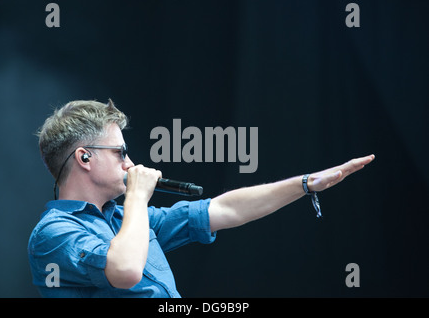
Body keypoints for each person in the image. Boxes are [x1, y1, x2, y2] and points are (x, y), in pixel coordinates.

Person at [28, 99, 375, 297]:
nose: (130, 163)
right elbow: (125, 270)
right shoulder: (54, 233)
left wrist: (305, 184)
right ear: (85, 158)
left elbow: (224, 209)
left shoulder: (122, 221)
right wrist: (137, 197)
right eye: (121, 152)